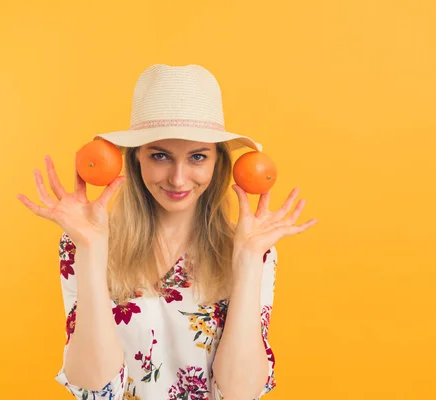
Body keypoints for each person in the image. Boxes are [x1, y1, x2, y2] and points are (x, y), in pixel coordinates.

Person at [16, 64, 317, 399]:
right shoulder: (85, 242)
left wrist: (247, 260)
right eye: (160, 156)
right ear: (136, 161)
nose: (177, 178)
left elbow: (240, 392)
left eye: (197, 157)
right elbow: (94, 388)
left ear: (217, 164)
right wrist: (91, 249)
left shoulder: (251, 248)